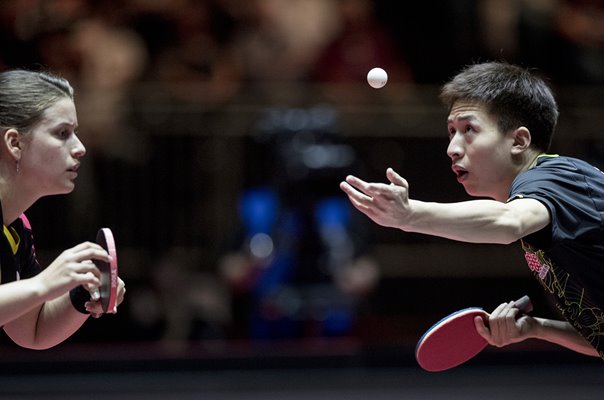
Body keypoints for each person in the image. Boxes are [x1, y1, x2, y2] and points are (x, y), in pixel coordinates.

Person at [340, 61, 604, 359]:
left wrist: (410, 215)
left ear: (518, 140)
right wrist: (536, 328)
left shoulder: (556, 176)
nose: (452, 147)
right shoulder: (546, 213)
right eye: (451, 131)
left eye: (469, 129)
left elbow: (508, 223)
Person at [0, 69, 126, 349]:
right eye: (62, 133)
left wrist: (80, 293)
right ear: (14, 143)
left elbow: (32, 330)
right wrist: (44, 285)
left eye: (75, 133)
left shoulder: (16, 227)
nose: (80, 148)